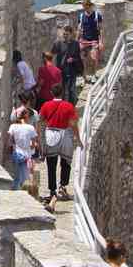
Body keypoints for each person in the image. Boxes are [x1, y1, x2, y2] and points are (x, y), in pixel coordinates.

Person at [39, 83, 81, 212]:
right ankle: (62, 186)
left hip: (51, 134)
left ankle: (52, 191)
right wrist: (78, 139)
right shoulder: (69, 106)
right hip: (65, 135)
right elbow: (73, 124)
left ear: (52, 93)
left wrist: (41, 139)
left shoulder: (46, 105)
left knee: (51, 164)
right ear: (62, 93)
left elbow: (41, 121)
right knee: (66, 162)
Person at [8, 108, 38, 191]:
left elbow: (9, 141)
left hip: (16, 154)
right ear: (27, 117)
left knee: (16, 175)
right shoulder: (31, 128)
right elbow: (33, 144)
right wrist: (30, 147)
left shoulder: (13, 126)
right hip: (26, 155)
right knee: (25, 177)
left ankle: (15, 190)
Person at [52, 26, 83, 104]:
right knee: (62, 89)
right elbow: (52, 53)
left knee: (71, 89)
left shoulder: (75, 44)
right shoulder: (58, 43)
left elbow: (78, 58)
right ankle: (62, 105)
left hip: (72, 70)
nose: (65, 36)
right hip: (61, 71)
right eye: (64, 34)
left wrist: (73, 59)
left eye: (67, 34)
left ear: (71, 34)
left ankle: (71, 105)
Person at [78, 0, 105, 84]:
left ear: (90, 6)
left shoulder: (97, 15)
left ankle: (93, 75)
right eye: (84, 7)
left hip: (94, 40)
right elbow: (79, 29)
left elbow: (100, 29)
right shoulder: (81, 16)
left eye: (87, 7)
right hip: (83, 40)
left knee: (94, 58)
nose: (86, 9)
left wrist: (101, 42)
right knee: (82, 59)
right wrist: (76, 41)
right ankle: (84, 76)